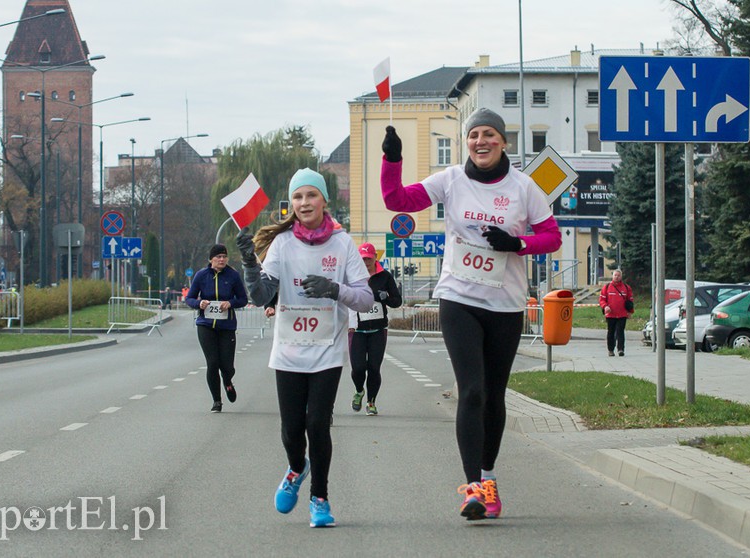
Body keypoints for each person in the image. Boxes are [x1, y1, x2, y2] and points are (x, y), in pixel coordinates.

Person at [379, 108, 562, 521]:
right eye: (473, 135)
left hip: (506, 304)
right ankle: (474, 489)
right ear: (467, 143)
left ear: (503, 142)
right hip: (459, 298)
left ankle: (489, 474)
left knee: (494, 396)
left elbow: (551, 237)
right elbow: (396, 201)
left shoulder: (524, 188)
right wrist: (392, 160)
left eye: (489, 135)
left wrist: (517, 244)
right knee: (473, 391)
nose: (481, 142)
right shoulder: (451, 180)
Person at [237, 168, 373, 528]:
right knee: (291, 429)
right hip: (289, 350)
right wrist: (250, 265)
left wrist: (334, 289)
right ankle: (297, 468)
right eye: (297, 197)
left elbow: (365, 298)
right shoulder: (282, 244)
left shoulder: (343, 244)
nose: (304, 203)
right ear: (291, 204)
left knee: (318, 424)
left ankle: (320, 498)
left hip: (328, 349)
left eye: (311, 195)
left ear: (324, 200)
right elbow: (262, 295)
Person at [185, 244, 248, 413]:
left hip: (226, 327)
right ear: (211, 259)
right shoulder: (201, 276)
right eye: (218, 257)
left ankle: (227, 381)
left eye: (224, 257)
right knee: (212, 363)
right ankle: (216, 401)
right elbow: (189, 298)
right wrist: (199, 303)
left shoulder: (233, 276)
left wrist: (231, 303)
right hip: (206, 326)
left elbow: (243, 299)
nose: (221, 260)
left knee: (227, 366)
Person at [349, 243, 402, 416]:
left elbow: (397, 301)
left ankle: (371, 401)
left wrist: (384, 297)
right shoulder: (352, 275)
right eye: (362, 259)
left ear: (375, 258)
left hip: (378, 329)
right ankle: (359, 391)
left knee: (373, 367)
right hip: (357, 330)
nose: (365, 262)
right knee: (358, 368)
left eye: (369, 259)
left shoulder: (385, 276)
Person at [599, 269, 634, 356]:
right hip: (610, 315)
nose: (617, 277)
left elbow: (630, 301)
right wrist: (605, 306)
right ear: (612, 276)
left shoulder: (626, 288)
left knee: (620, 332)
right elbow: (602, 300)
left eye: (618, 275)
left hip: (622, 314)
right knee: (611, 332)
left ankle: (621, 349)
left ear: (621, 277)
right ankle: (611, 350)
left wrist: (630, 312)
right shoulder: (607, 287)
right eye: (615, 275)